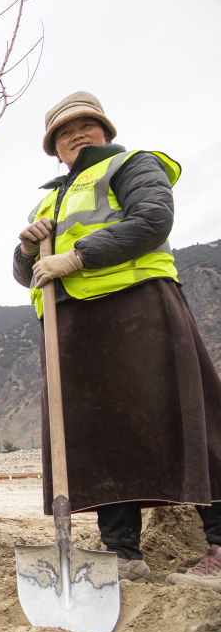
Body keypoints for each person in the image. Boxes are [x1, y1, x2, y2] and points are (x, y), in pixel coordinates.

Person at [13, 91, 221, 591]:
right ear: (54, 147)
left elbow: (152, 221)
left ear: (104, 130)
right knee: (101, 437)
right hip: (75, 327)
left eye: (85, 125)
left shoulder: (134, 164)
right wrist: (26, 249)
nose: (76, 135)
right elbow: (27, 275)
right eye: (65, 131)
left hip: (139, 310)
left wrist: (78, 256)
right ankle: (123, 552)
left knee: (184, 420)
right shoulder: (48, 198)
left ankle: (218, 543)